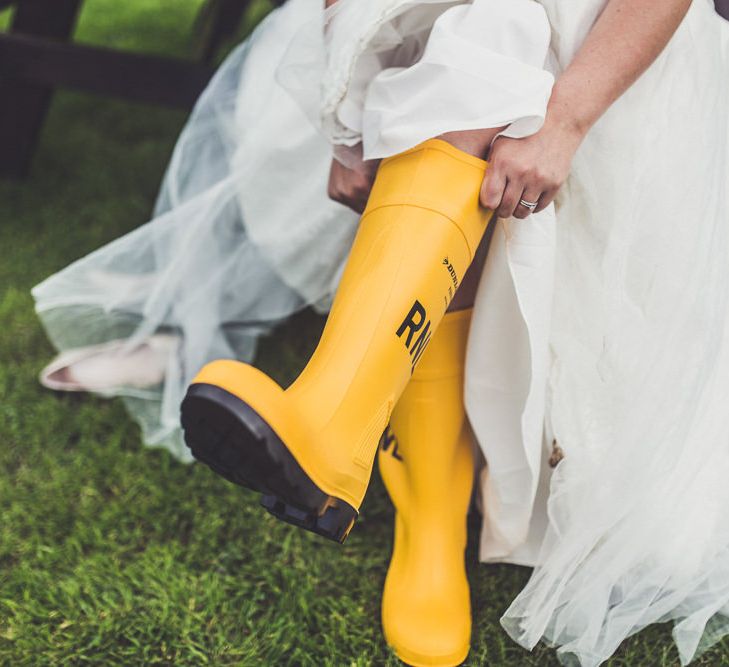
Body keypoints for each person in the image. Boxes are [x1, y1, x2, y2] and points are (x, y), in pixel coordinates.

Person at [31, 0, 729, 665]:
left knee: (489, 46)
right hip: (411, 21)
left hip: (608, 38)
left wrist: (567, 123)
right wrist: (347, 116)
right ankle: (412, 499)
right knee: (483, 42)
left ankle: (344, 438)